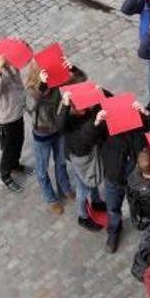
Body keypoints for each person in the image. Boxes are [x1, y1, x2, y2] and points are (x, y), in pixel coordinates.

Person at [80, 101, 150, 252]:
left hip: (138, 179)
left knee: (142, 206)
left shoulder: (136, 123)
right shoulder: (105, 128)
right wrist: (96, 122)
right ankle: (114, 232)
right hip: (114, 178)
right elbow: (84, 141)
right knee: (113, 208)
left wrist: (146, 112)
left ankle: (145, 226)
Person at [25, 61, 78, 215]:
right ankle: (51, 199)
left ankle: (65, 188)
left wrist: (71, 68)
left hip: (57, 129)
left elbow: (77, 80)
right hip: (42, 135)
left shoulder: (53, 84)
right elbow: (31, 106)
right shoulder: (30, 90)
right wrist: (42, 85)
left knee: (61, 163)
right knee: (42, 170)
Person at [59, 78, 109, 231]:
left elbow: (107, 102)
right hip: (80, 156)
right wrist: (66, 106)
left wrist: (101, 92)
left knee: (90, 180)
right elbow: (63, 127)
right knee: (83, 187)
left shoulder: (86, 110)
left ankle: (96, 201)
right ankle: (83, 216)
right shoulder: (68, 121)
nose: (86, 109)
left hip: (90, 152)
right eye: (81, 108)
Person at [0, 42, 31, 193]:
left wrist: (22, 47)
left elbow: (25, 62)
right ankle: (5, 175)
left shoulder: (9, 64)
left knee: (19, 140)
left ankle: (15, 164)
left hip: (15, 112)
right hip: (3, 118)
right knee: (8, 148)